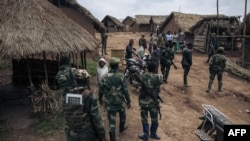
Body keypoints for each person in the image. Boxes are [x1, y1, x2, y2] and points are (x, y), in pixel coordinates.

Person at [56, 56, 107, 141]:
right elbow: (97, 119)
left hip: (71, 134)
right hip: (86, 135)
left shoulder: (65, 96)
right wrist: (102, 135)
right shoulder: (89, 96)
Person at [99, 57, 131, 141]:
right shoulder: (121, 76)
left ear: (110, 66)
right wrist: (128, 101)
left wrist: (100, 99)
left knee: (111, 123)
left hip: (110, 103)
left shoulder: (105, 77)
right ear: (117, 66)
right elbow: (125, 90)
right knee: (123, 115)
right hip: (120, 102)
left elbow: (101, 90)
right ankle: (121, 128)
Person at [138, 62, 163, 140]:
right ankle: (153, 134)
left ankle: (146, 135)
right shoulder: (158, 77)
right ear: (155, 69)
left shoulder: (142, 75)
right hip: (153, 102)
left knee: (144, 118)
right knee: (154, 118)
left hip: (143, 102)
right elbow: (161, 82)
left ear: (147, 68)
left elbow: (139, 83)